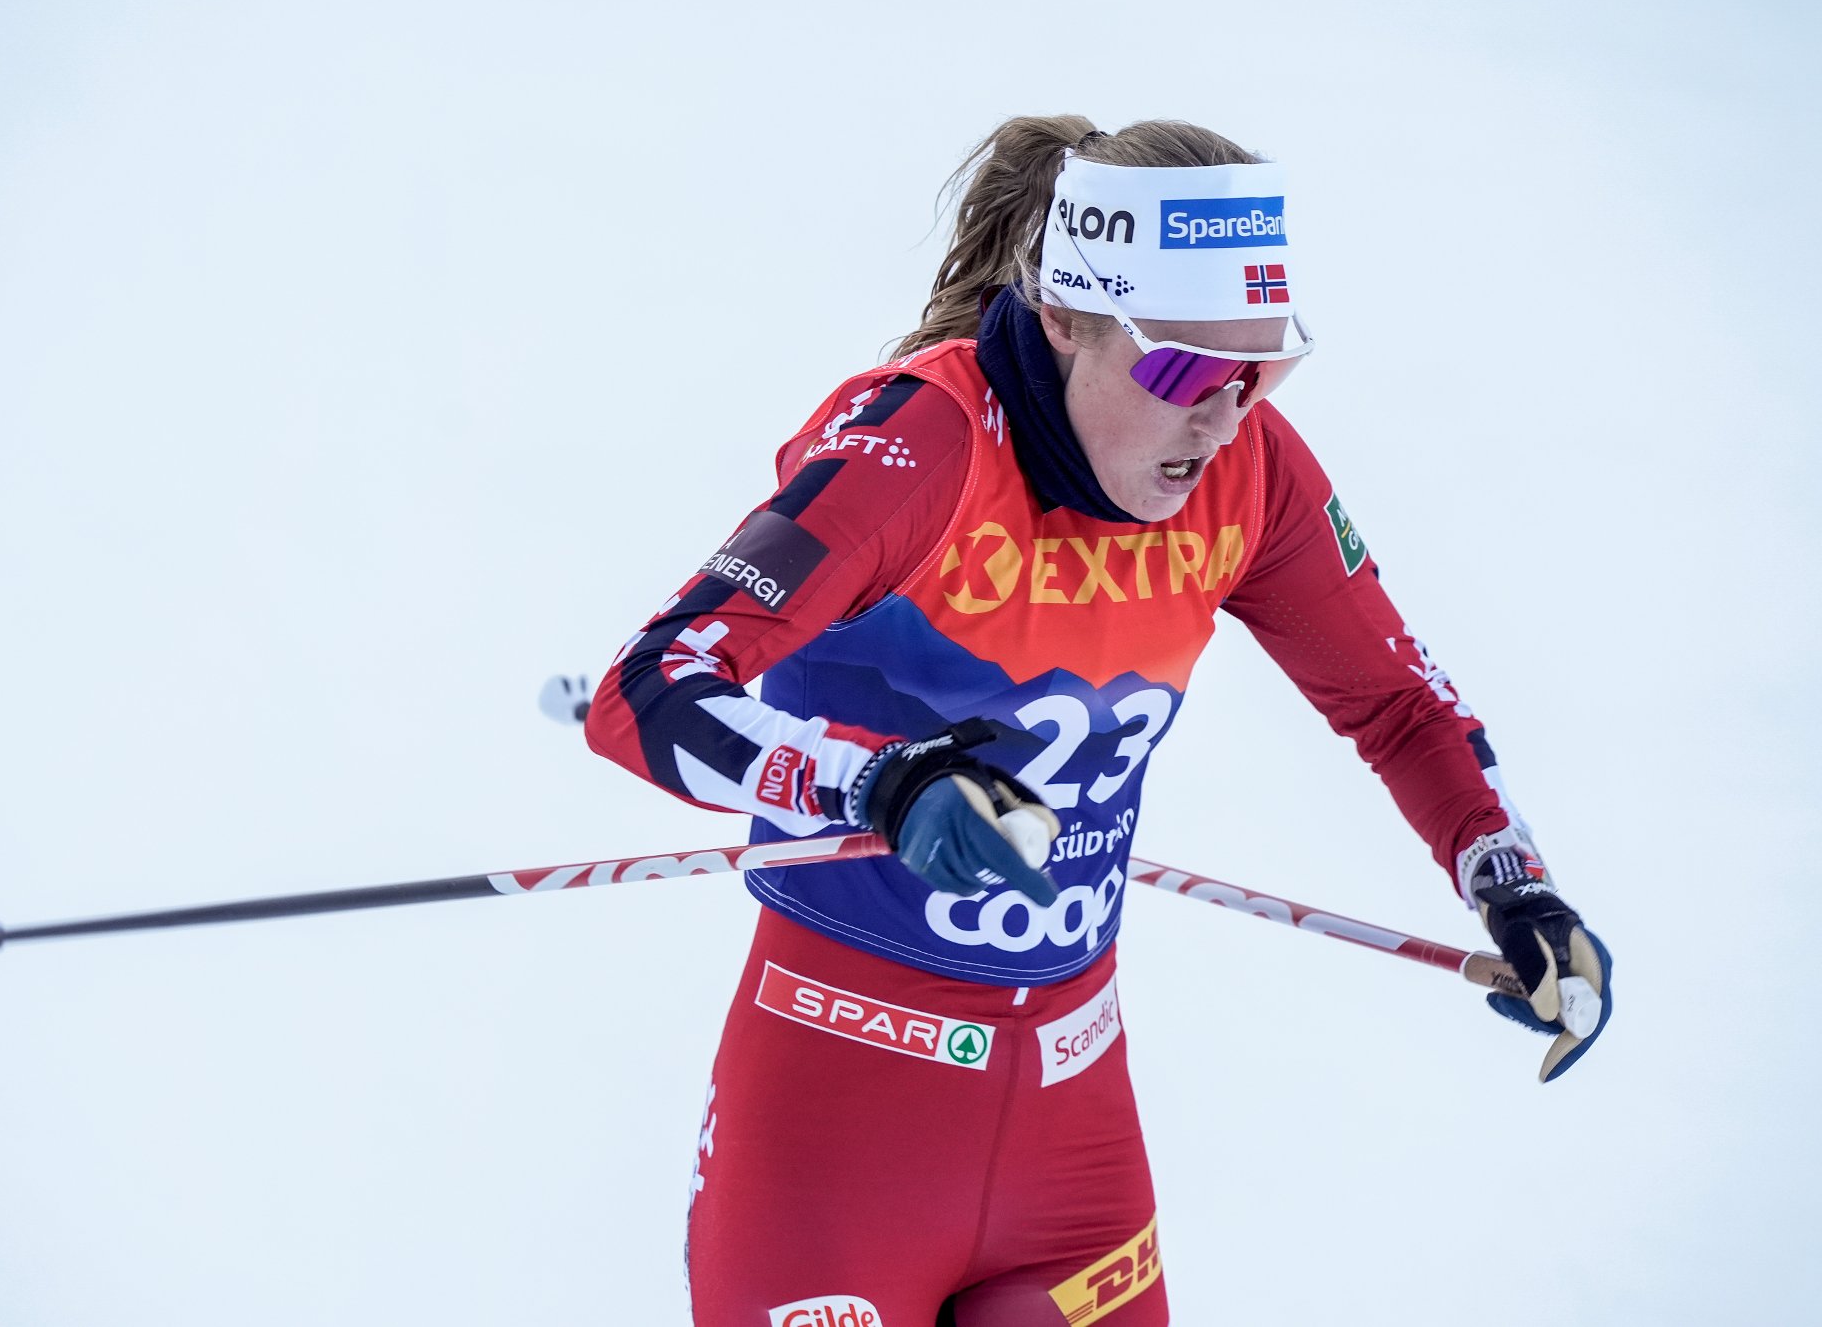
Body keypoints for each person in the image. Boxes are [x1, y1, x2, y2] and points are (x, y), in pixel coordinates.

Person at [584, 115, 1612, 1327]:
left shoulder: (1248, 476)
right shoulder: (922, 447)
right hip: (834, 1118)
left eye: (1259, 372)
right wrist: (879, 786)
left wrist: (1514, 884)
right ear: (1065, 317)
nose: (1222, 418)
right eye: (1182, 371)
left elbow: (1393, 702)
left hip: (1070, 1136)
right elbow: (650, 686)